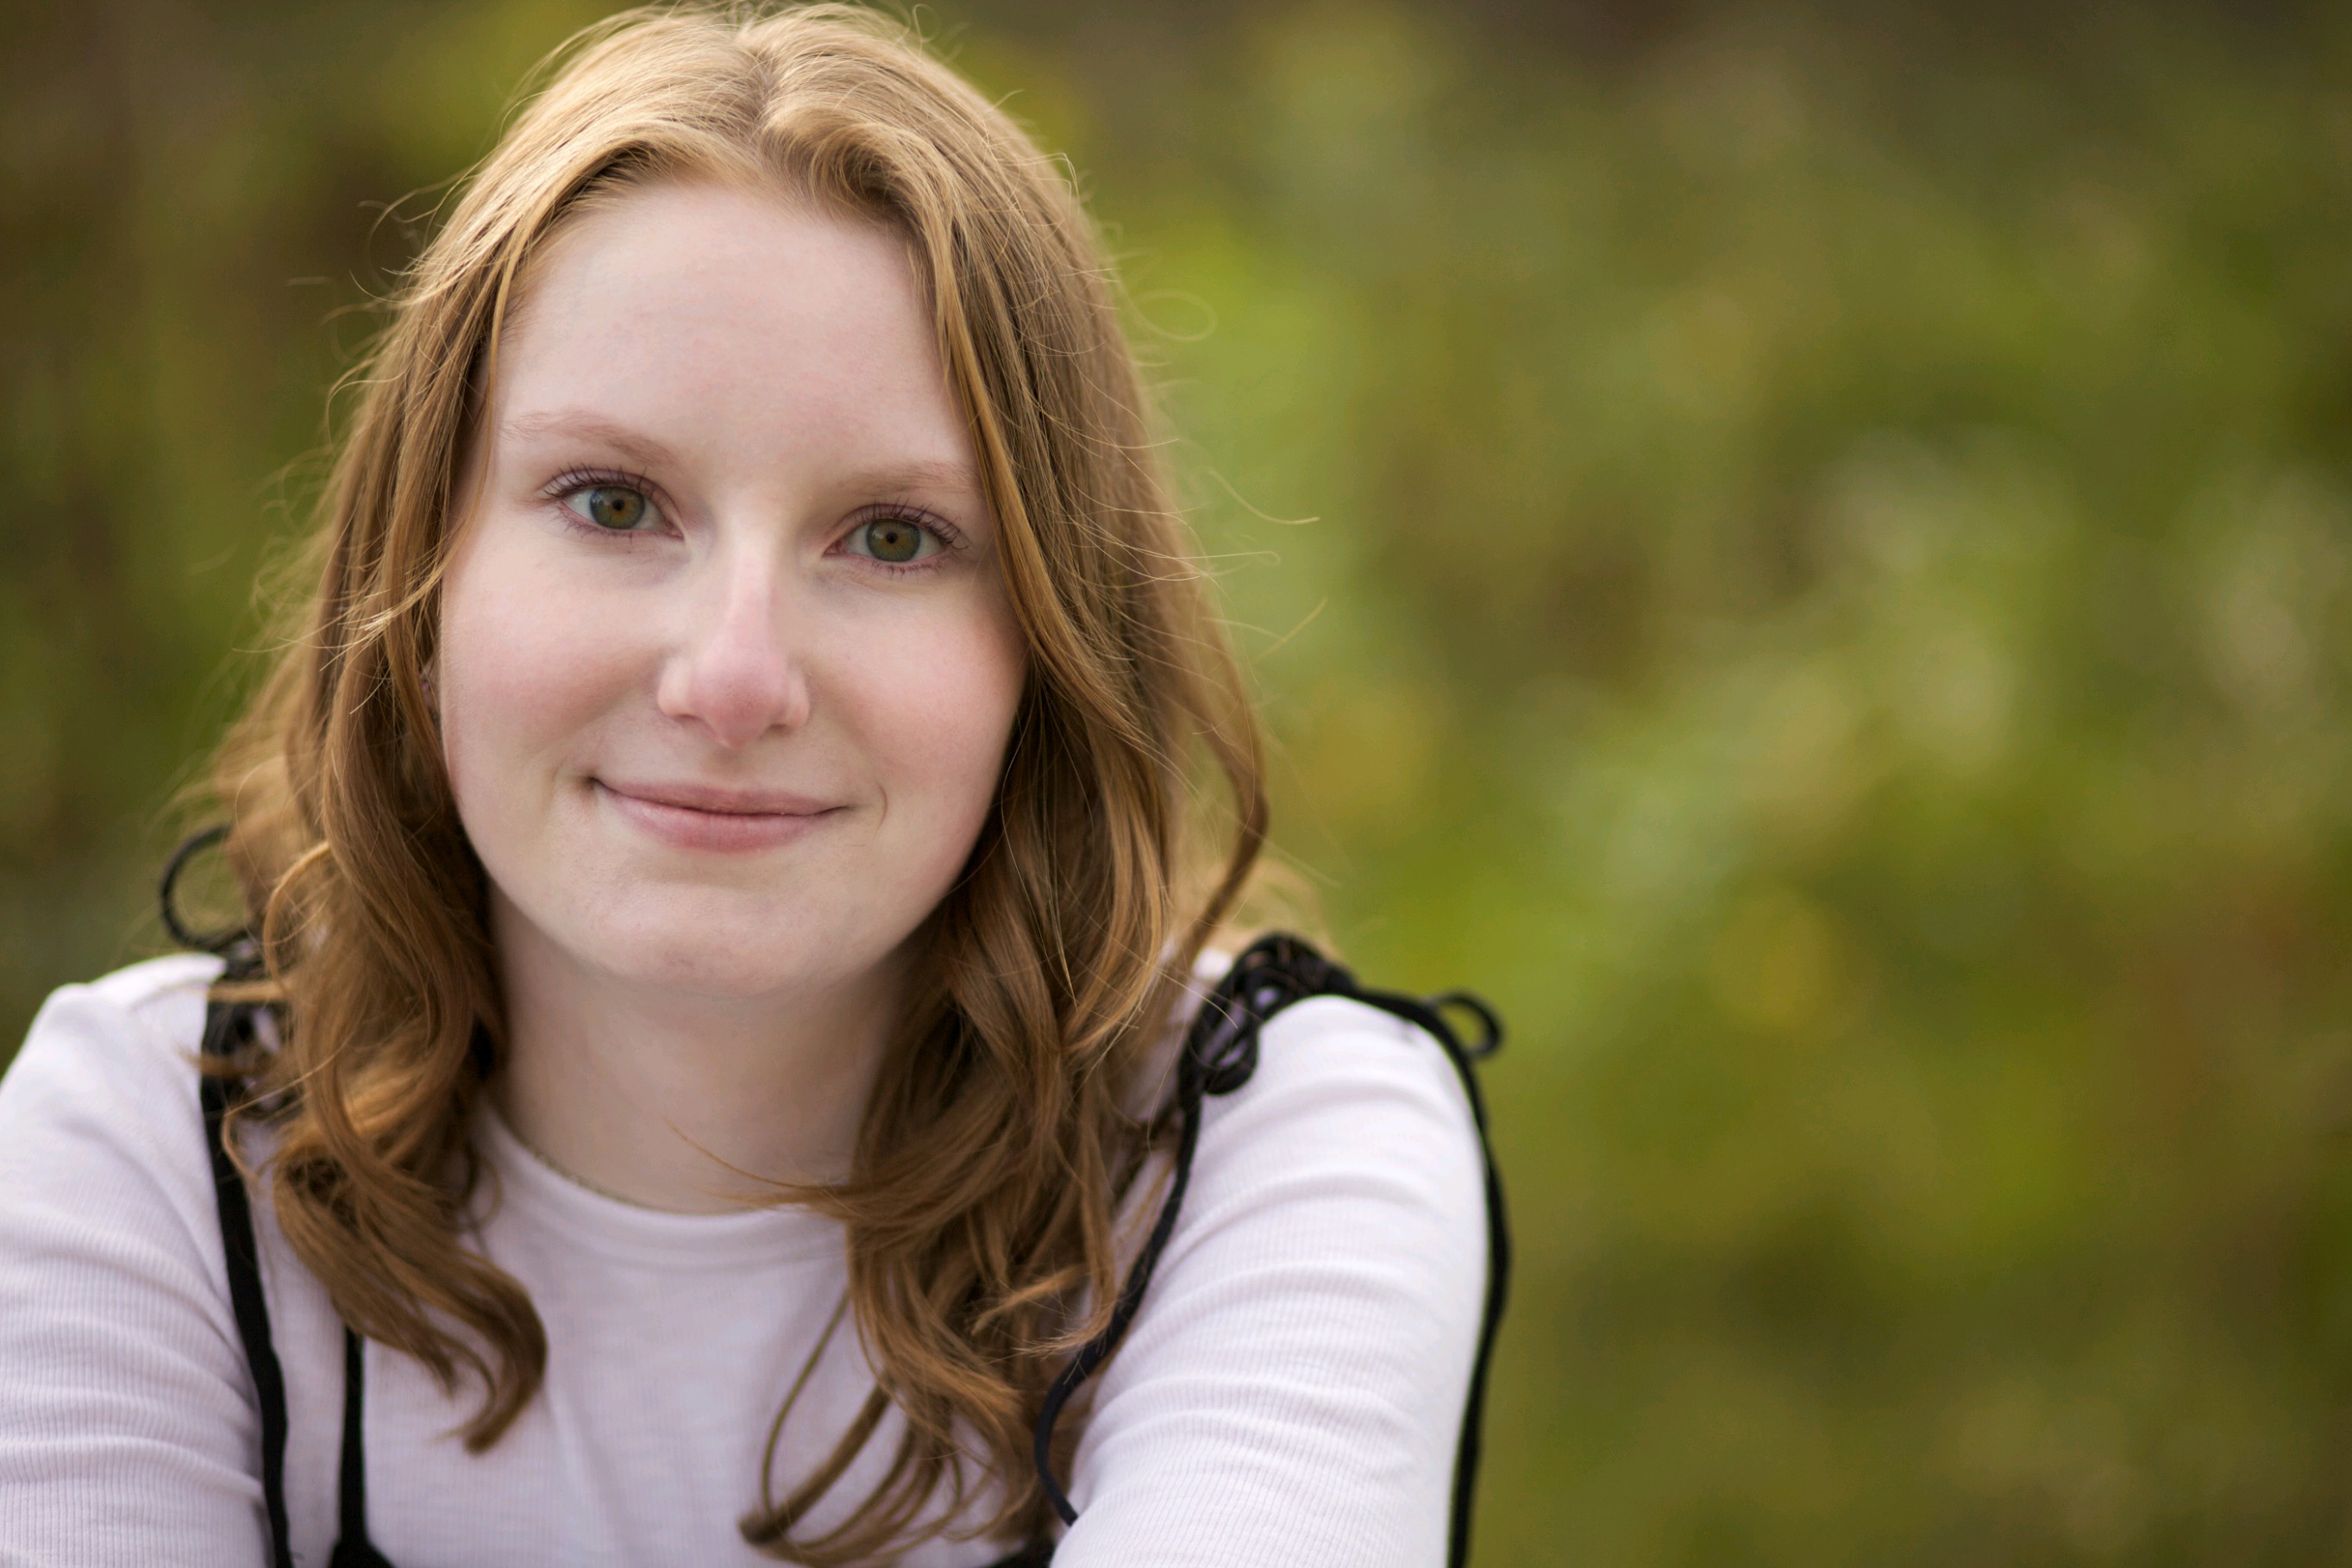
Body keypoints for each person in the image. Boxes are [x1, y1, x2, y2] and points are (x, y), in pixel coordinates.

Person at [0, 7, 1503, 1565]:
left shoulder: (1266, 1147)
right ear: (423, 568)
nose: (731, 678)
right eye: (611, 501)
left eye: (894, 537)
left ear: (1049, 646)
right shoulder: (154, 1153)